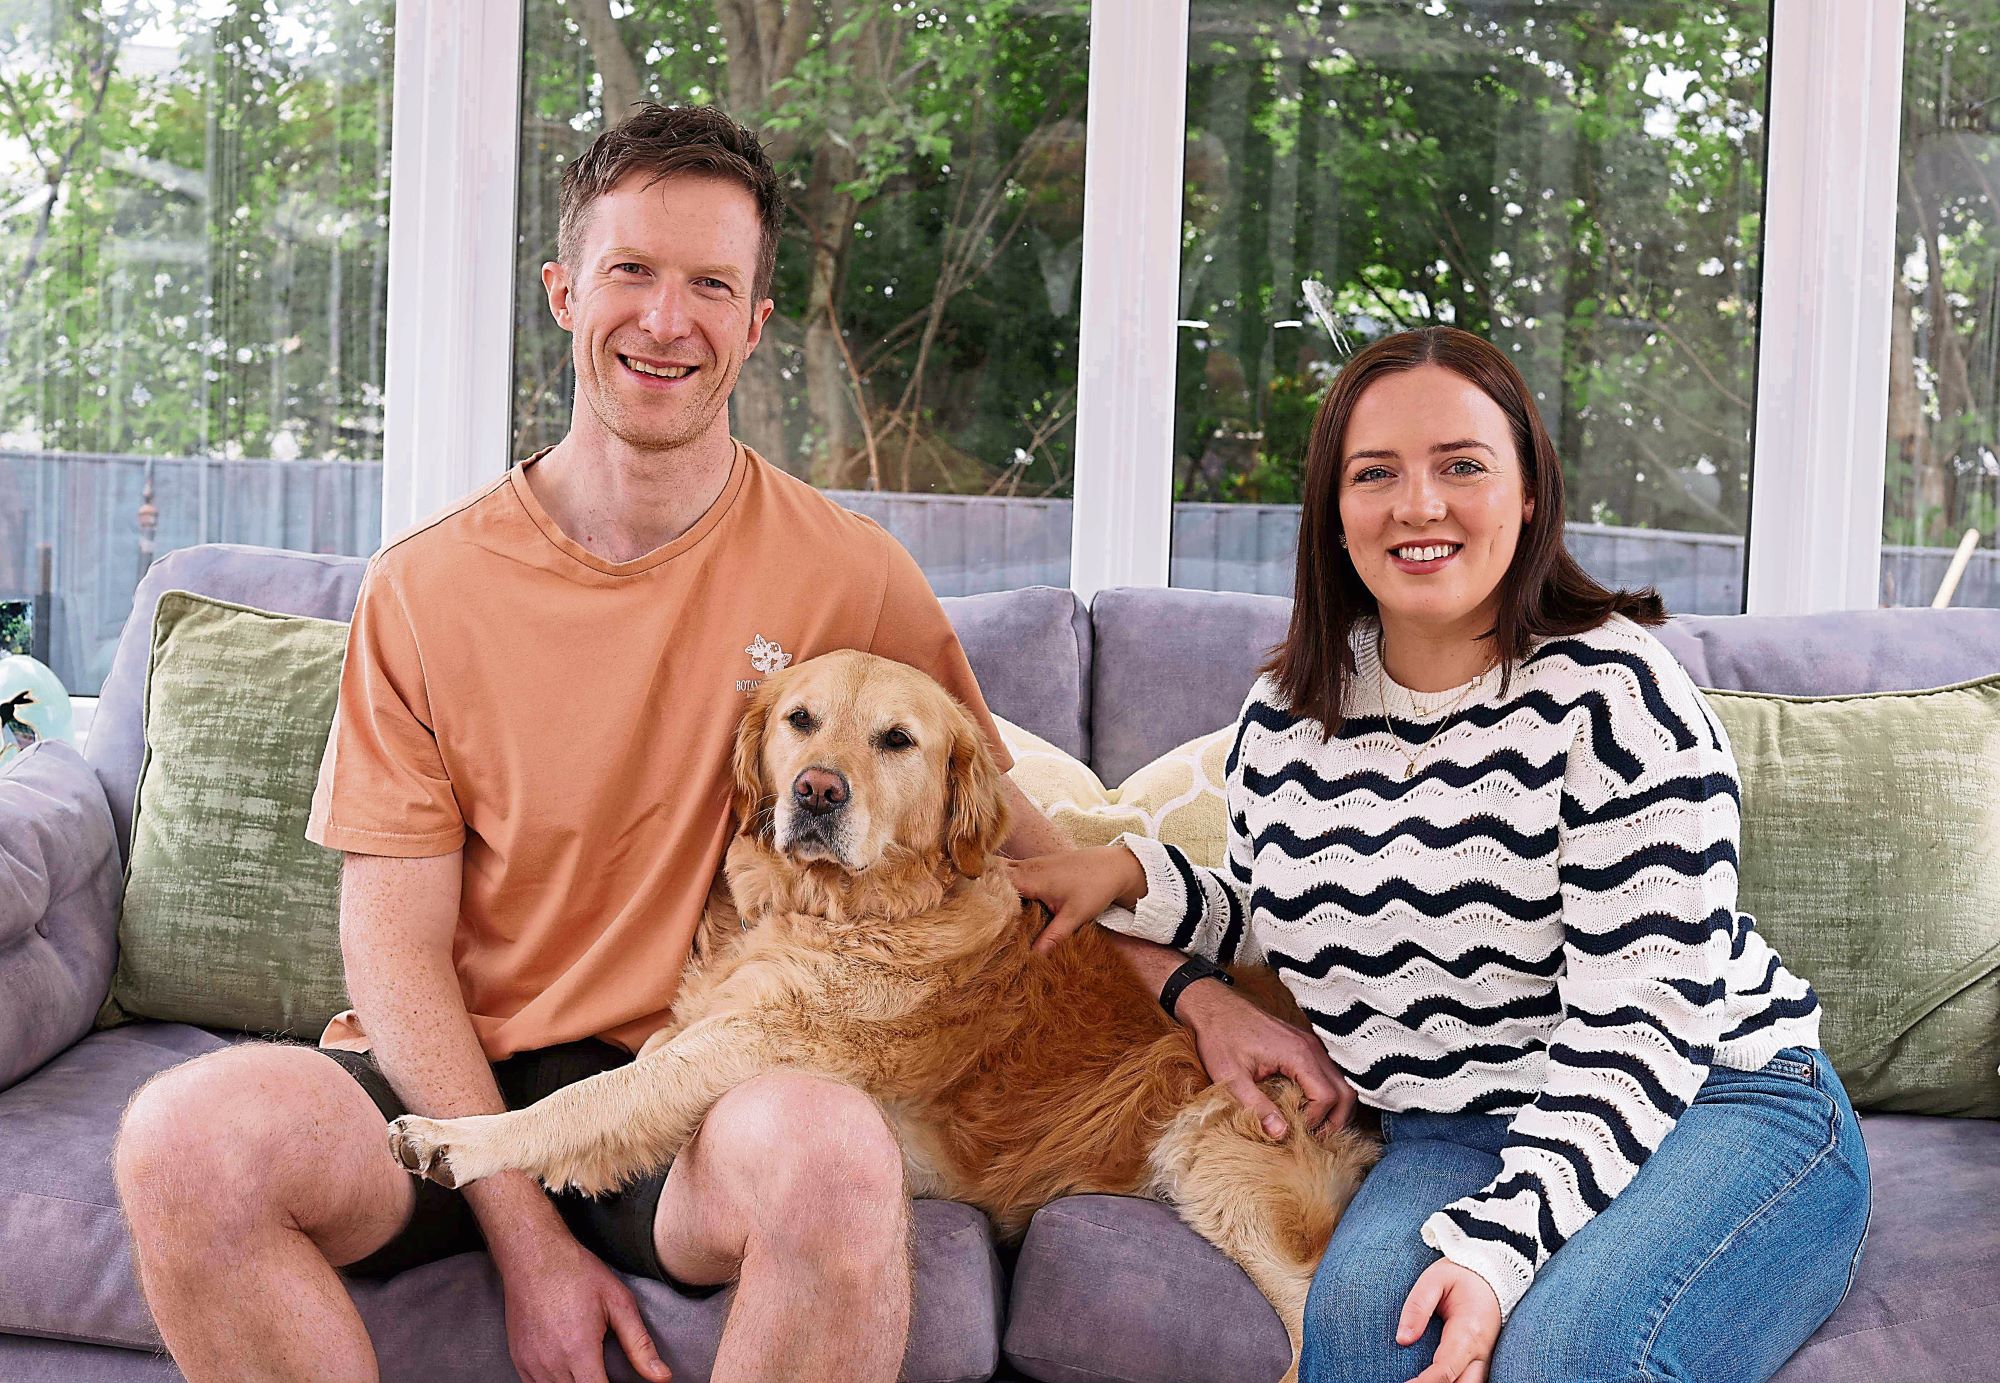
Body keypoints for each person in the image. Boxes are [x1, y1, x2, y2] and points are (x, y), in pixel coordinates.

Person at [111, 104, 1097, 1383]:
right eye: (632, 270)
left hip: (690, 1096)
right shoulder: (425, 589)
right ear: (564, 291)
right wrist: (529, 1244)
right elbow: (393, 943)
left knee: (833, 1154)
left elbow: (1000, 836)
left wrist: (1192, 991)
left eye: (711, 285)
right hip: (449, 1082)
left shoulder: (849, 575)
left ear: (753, 325)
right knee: (184, 1141)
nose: (666, 318)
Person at [1011, 326, 1869, 1383]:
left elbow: (1642, 1020)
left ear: (1525, 494)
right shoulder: (1282, 717)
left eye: (1460, 466)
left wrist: (1499, 1251)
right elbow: (1306, 916)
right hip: (1449, 1126)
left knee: (1564, 1355)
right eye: (1374, 474)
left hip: (1707, 1096)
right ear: (1333, 513)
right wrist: (1139, 879)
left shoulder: (1613, 697)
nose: (1417, 506)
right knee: (1365, 1347)